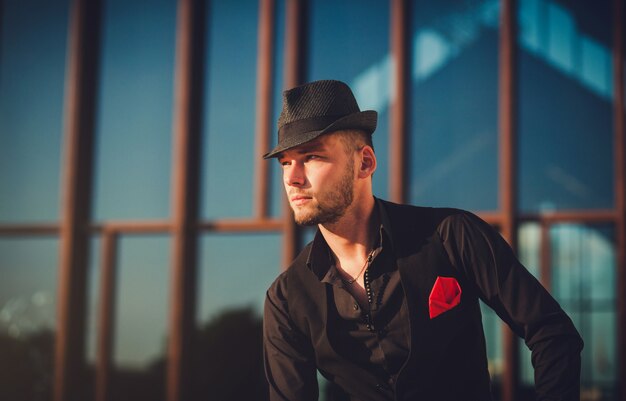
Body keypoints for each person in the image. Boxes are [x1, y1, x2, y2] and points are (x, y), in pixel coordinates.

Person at [262, 79, 583, 401]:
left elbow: (551, 332)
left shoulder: (451, 235)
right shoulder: (288, 297)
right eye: (286, 162)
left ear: (365, 163)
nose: (292, 178)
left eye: (312, 157)